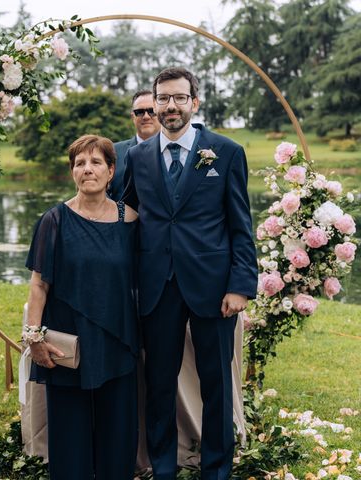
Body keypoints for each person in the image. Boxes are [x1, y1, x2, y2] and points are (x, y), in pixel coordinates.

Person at [123, 67, 258, 480]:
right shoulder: (137, 156)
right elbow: (125, 213)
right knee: (159, 383)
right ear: (156, 103)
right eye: (163, 99)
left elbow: (241, 225)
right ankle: (164, 468)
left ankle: (216, 471)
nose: (170, 106)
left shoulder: (227, 152)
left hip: (213, 289)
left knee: (216, 385)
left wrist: (240, 285)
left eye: (179, 98)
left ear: (194, 103)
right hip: (157, 286)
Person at [24, 134, 139, 479]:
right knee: (69, 435)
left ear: (111, 171)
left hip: (117, 340)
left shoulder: (130, 219)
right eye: (80, 164)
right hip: (67, 344)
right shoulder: (53, 221)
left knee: (118, 433)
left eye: (95, 162)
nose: (87, 169)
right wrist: (34, 336)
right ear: (72, 172)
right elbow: (39, 285)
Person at [108, 89, 160, 201]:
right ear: (133, 117)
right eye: (140, 112)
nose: (146, 116)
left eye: (152, 111)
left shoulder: (175, 150)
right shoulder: (113, 151)